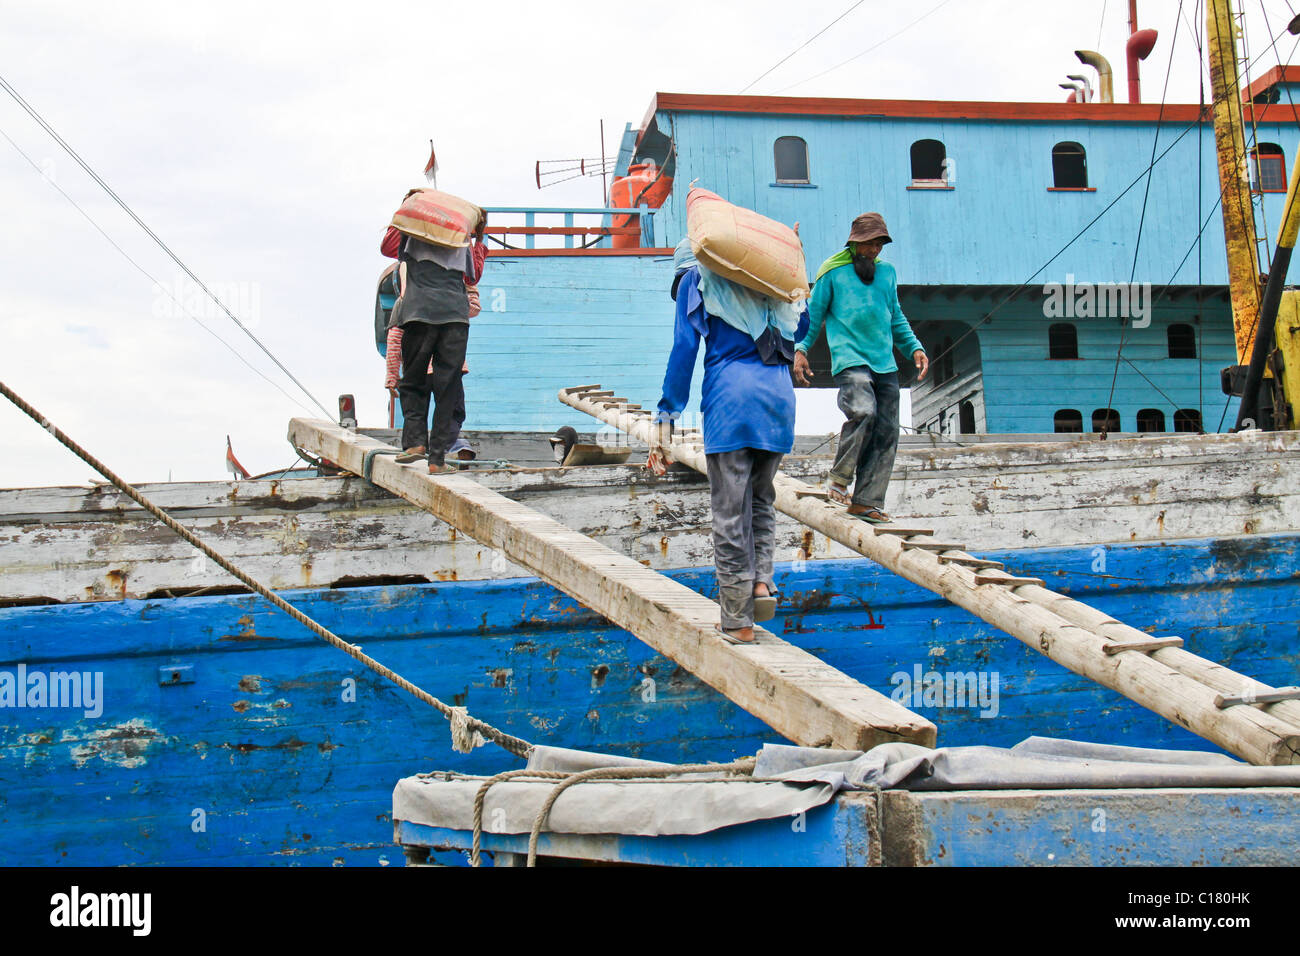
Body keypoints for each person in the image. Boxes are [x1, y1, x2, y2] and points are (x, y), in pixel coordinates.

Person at [653, 237, 806, 645]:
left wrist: (667, 413)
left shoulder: (695, 279)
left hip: (732, 402)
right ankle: (760, 585)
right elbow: (801, 327)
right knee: (761, 499)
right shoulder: (761, 287)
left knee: (729, 511)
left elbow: (685, 347)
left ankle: (737, 621)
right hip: (778, 400)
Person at [793, 212, 928, 524]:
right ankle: (839, 479)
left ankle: (866, 501)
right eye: (870, 244)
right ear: (855, 242)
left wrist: (915, 348)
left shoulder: (887, 273)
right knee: (864, 411)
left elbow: (896, 317)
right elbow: (814, 316)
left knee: (887, 431)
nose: (875, 250)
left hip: (885, 363)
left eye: (880, 244)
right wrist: (801, 349)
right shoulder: (832, 272)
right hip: (851, 359)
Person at [380, 213, 485, 473]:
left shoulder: (413, 238)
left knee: (414, 381)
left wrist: (403, 215)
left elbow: (387, 247)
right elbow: (473, 277)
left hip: (420, 314)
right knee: (448, 390)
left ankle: (415, 444)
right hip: (454, 319)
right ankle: (437, 460)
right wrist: (479, 237)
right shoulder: (460, 241)